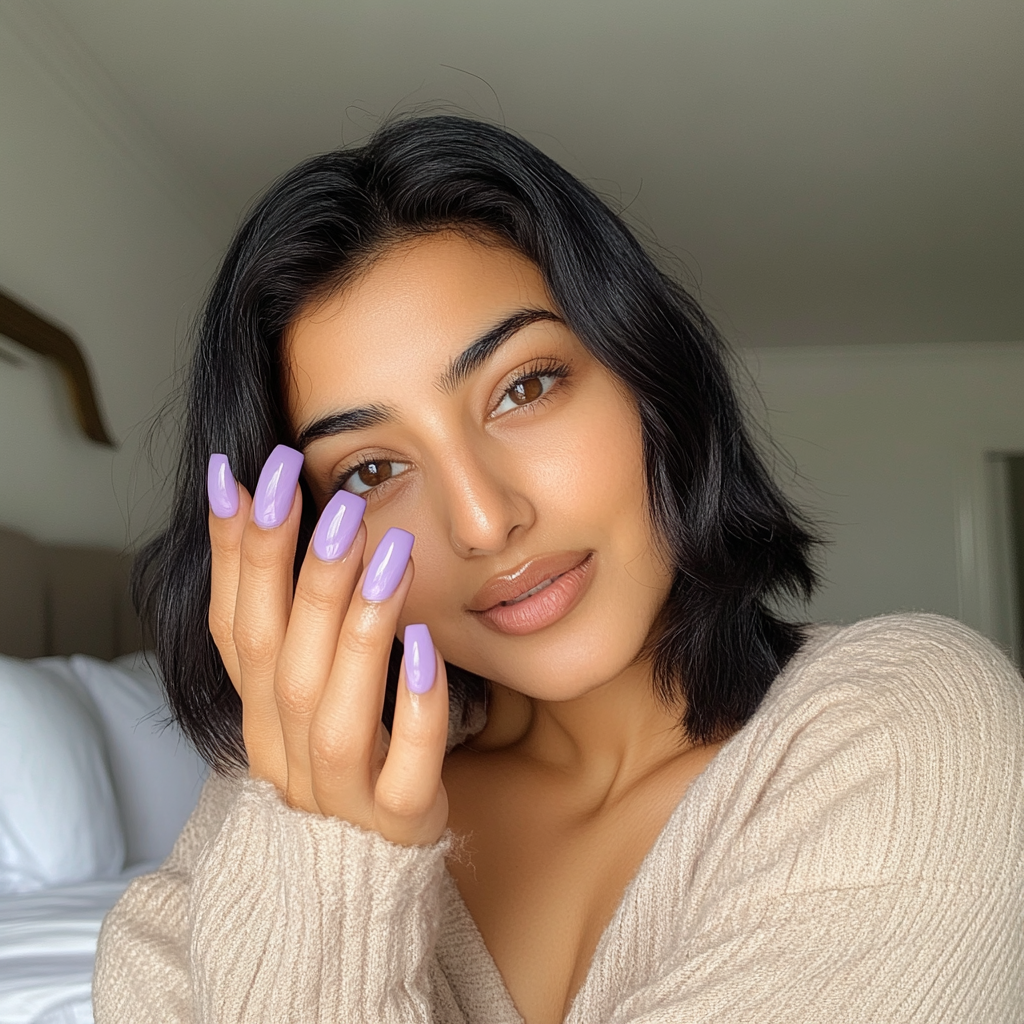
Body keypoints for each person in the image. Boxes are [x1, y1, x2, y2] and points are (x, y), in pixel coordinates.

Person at [93, 115, 1024, 1023]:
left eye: (523, 388)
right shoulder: (273, 808)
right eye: (373, 471)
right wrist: (326, 846)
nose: (487, 520)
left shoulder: (916, 725)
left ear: (648, 378)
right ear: (298, 547)